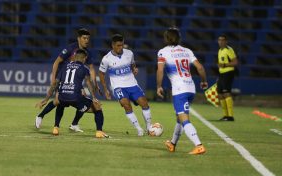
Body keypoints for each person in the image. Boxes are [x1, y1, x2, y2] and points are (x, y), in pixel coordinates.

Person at [35, 28, 101, 132]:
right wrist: (53, 79)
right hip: (63, 76)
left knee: (81, 96)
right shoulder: (70, 49)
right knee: (58, 101)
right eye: (84, 38)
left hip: (74, 79)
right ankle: (41, 116)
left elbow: (92, 69)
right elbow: (56, 62)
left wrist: (95, 84)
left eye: (88, 38)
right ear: (78, 38)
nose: (87, 40)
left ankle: (74, 124)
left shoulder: (86, 52)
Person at [156, 27, 208, 155]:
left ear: (166, 38)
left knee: (184, 119)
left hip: (179, 90)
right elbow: (200, 68)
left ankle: (199, 145)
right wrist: (203, 81)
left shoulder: (163, 52)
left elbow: (160, 70)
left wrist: (158, 86)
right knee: (179, 117)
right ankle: (172, 144)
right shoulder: (187, 51)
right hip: (191, 88)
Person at [40, 48, 108, 138]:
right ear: (85, 58)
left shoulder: (65, 66)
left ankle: (56, 127)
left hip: (63, 96)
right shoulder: (84, 68)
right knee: (97, 108)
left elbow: (55, 83)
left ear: (75, 57)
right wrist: (94, 97)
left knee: (60, 103)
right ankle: (99, 132)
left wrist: (46, 99)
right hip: (75, 98)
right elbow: (88, 84)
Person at [98, 34, 152, 136]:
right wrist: (105, 89)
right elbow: (101, 73)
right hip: (118, 86)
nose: (121, 47)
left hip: (132, 84)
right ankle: (139, 129)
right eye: (118, 45)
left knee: (144, 103)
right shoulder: (106, 59)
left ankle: (149, 127)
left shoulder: (129, 53)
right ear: (113, 45)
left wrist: (134, 69)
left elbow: (132, 63)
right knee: (126, 105)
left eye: (122, 45)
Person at [217, 34, 238, 121]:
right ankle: (225, 115)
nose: (221, 42)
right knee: (220, 94)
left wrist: (225, 65)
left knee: (226, 93)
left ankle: (230, 116)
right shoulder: (220, 50)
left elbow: (235, 62)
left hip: (228, 73)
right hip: (222, 74)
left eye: (222, 40)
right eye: (219, 40)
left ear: (226, 41)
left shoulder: (229, 50)